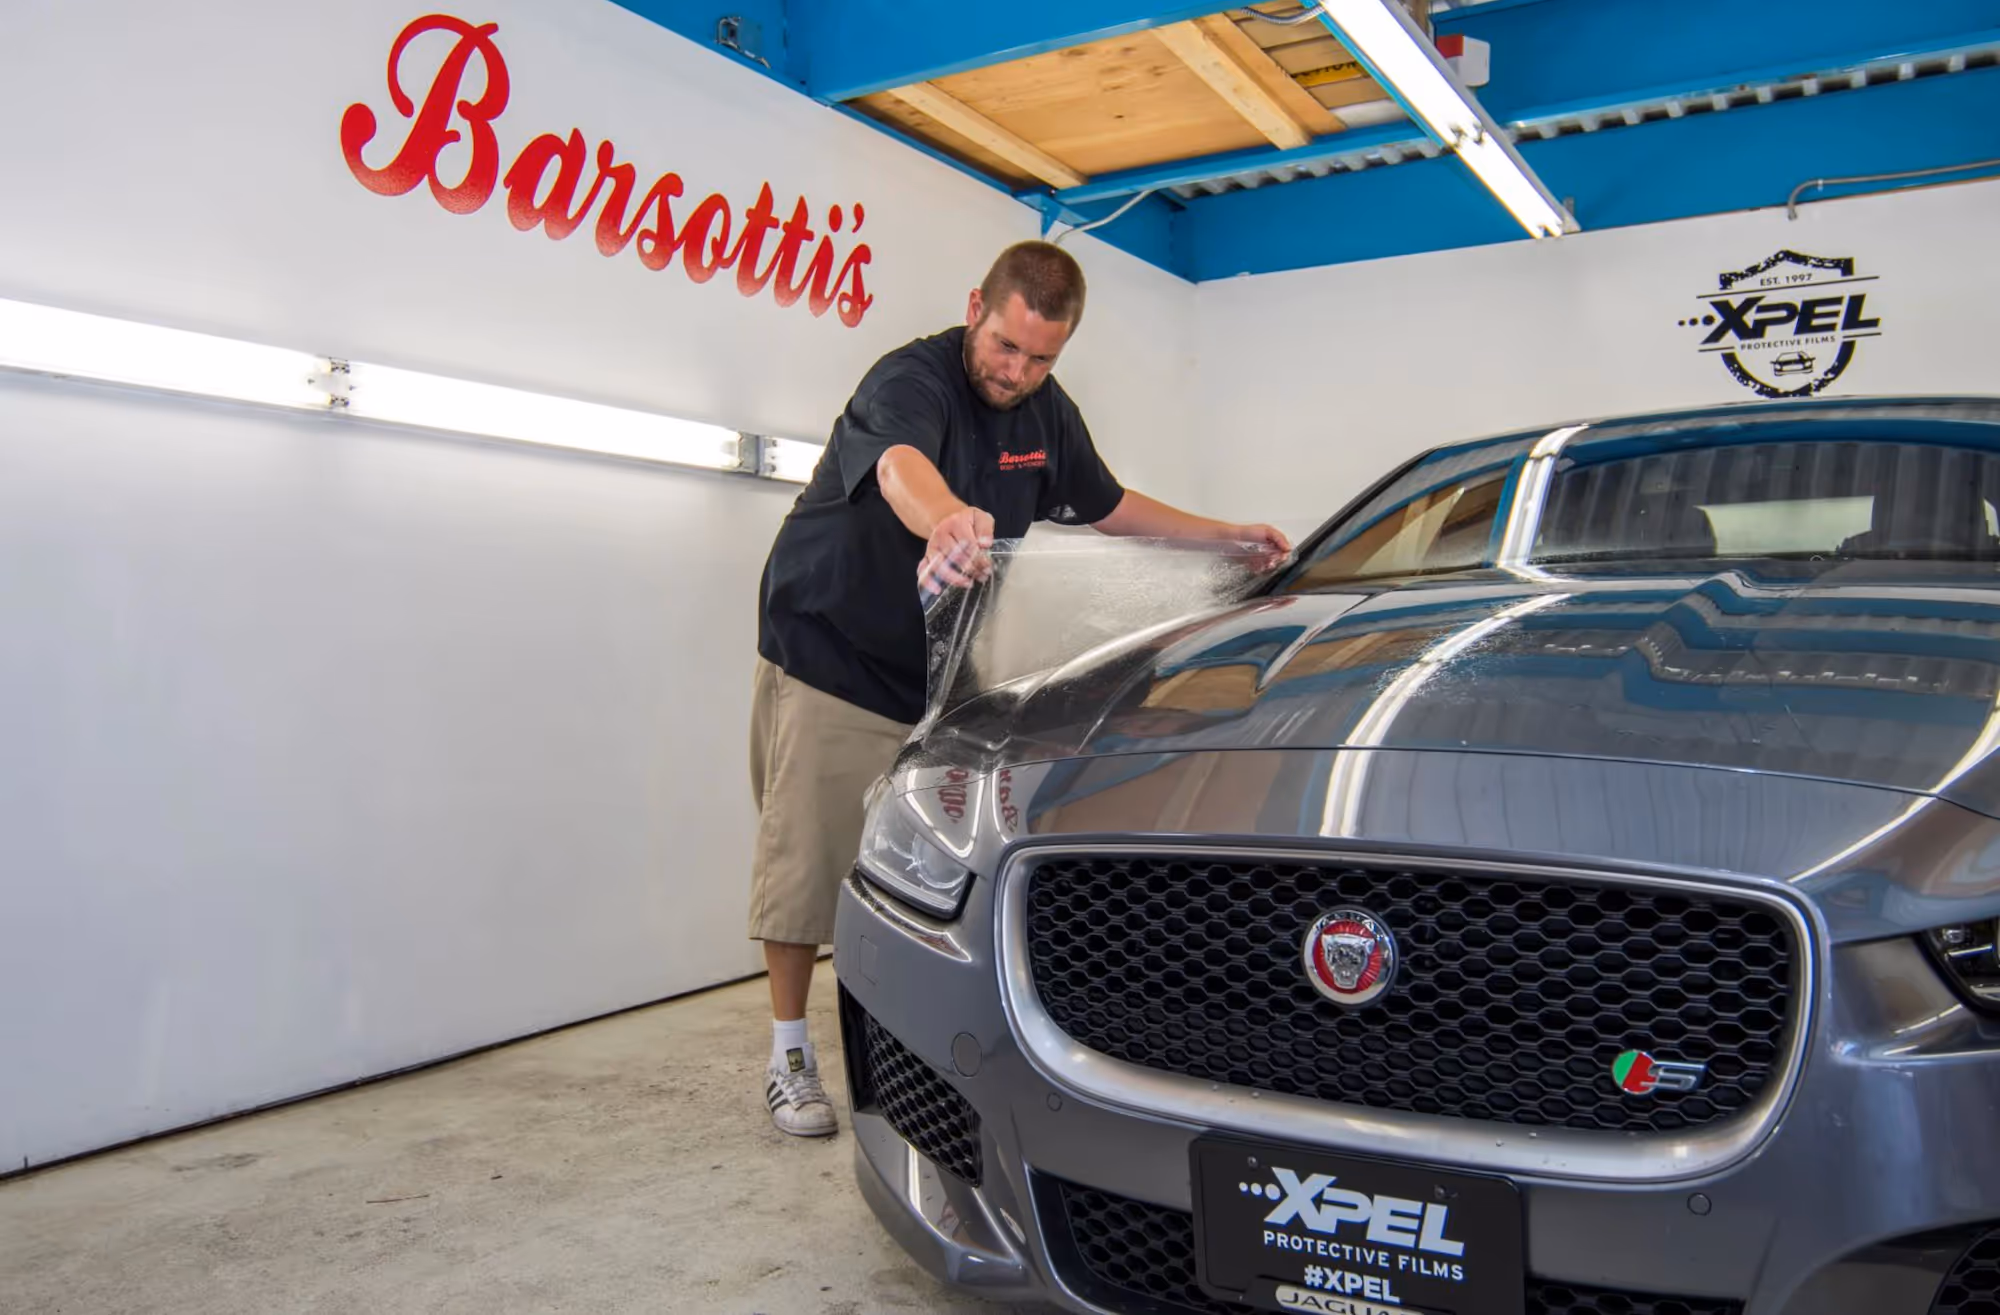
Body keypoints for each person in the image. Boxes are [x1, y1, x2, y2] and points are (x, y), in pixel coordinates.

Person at [747, 240, 1291, 1136]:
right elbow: (898, 469)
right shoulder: (910, 381)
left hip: (940, 671)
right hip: (830, 651)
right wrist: (947, 519)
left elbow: (1107, 504)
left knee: (929, 869)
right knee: (808, 861)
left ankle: (905, 1034)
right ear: (976, 307)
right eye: (1006, 346)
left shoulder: (1044, 410)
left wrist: (1223, 537)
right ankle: (788, 1054)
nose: (1017, 371)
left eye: (1042, 357)